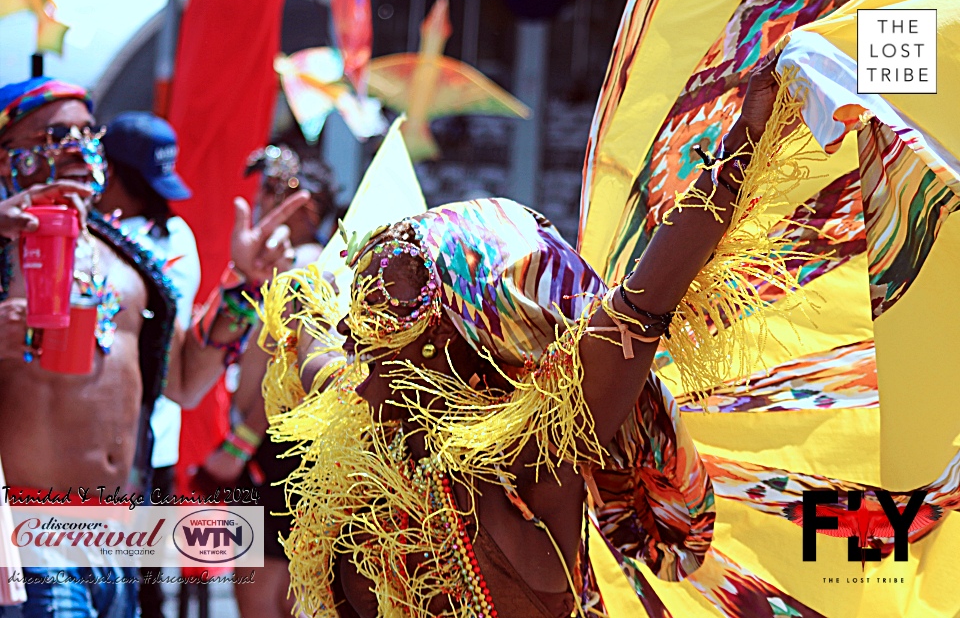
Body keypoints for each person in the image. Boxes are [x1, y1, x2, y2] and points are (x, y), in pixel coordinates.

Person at [261, 54, 784, 617]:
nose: (350, 332)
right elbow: (306, 328)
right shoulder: (356, 417)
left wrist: (742, 144)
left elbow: (645, 301)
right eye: (356, 305)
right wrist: (271, 280)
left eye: (382, 313)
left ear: (460, 334)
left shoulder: (536, 458)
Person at [0, 78, 305, 618]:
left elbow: (184, 381)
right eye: (53, 134)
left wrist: (245, 286)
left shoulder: (129, 261)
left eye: (83, 132)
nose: (75, 146)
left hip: (119, 540)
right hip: (32, 542)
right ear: (7, 160)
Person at [199, 145, 339, 618]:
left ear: (308, 206)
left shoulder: (303, 273)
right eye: (264, 193)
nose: (262, 206)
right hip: (288, 461)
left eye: (277, 194)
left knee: (263, 599)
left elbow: (287, 380)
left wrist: (236, 448)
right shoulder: (303, 268)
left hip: (280, 459)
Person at [96, 111, 201, 618]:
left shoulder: (96, 239)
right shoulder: (178, 234)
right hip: (157, 442)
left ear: (107, 170)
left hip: (117, 446)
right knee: (144, 591)